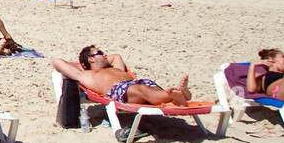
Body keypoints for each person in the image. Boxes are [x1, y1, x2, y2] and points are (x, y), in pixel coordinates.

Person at [52, 46, 191, 107]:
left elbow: (116, 56)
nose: (105, 55)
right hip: (120, 90)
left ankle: (177, 96)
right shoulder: (86, 75)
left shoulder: (115, 68)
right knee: (141, 89)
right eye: (100, 52)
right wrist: (81, 64)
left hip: (138, 84)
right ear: (91, 59)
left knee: (145, 86)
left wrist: (99, 59)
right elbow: (57, 62)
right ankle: (172, 96)